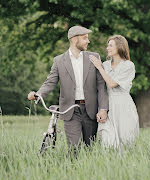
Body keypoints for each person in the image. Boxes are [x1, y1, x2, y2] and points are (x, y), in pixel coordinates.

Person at [28, 25, 109, 153]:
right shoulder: (59, 61)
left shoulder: (94, 57)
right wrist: (38, 94)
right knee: (74, 149)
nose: (88, 41)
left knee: (90, 149)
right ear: (74, 39)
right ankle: (73, 170)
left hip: (91, 110)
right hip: (70, 111)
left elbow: (101, 86)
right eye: (84, 38)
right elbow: (50, 82)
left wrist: (103, 109)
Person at [90, 35, 139, 151]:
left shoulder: (128, 65)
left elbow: (112, 84)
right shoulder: (106, 64)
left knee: (125, 143)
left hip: (123, 106)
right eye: (107, 45)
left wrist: (99, 68)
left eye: (111, 45)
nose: (107, 48)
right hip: (108, 105)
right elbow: (100, 86)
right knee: (107, 141)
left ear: (120, 47)